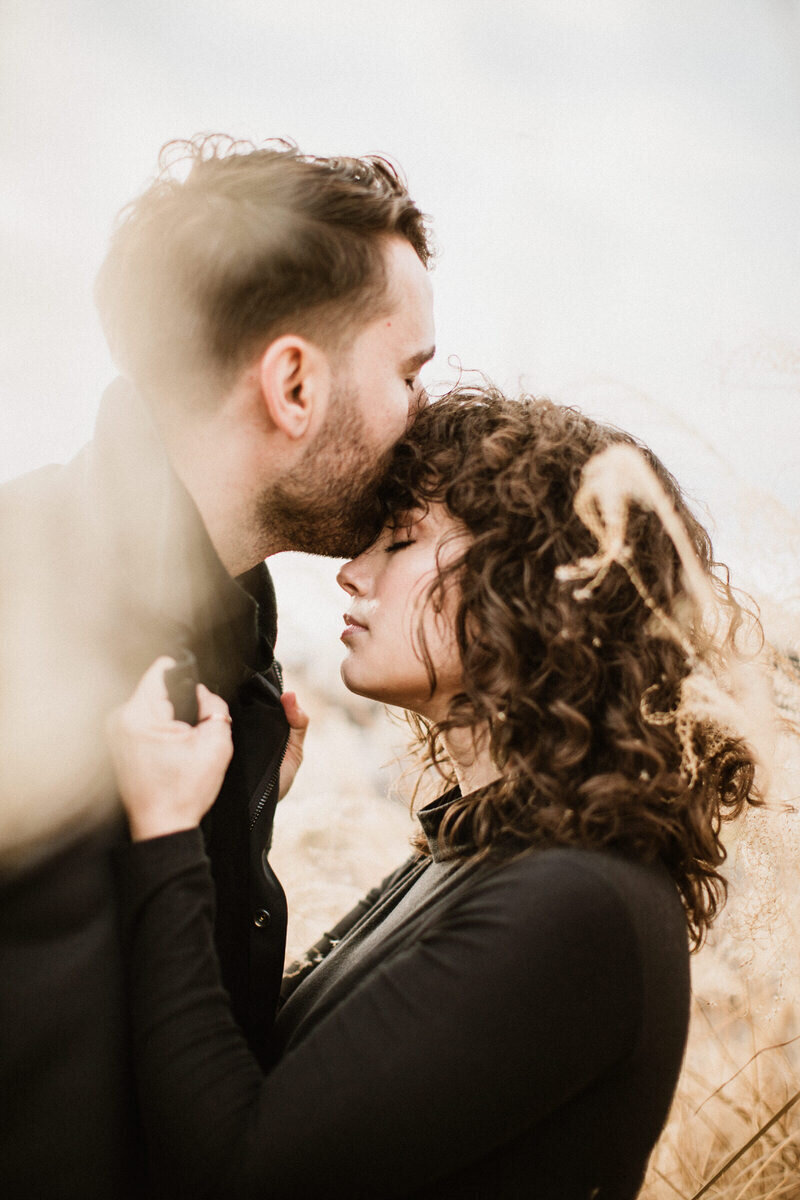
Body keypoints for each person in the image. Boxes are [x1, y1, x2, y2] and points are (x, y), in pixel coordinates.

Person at [108, 386, 760, 1199]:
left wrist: (164, 837)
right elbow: (256, 1054)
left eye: (400, 540)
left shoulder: (579, 900)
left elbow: (234, 1167)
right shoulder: (485, 851)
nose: (350, 573)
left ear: (525, 586)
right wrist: (238, 821)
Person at [0, 135, 434, 1199]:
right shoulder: (24, 594)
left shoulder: (226, 642)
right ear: (292, 382)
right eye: (407, 373)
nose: (421, 418)